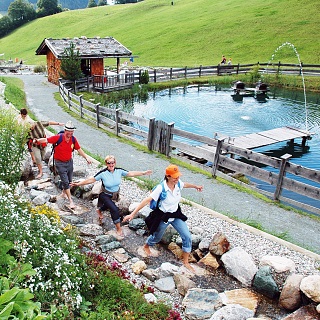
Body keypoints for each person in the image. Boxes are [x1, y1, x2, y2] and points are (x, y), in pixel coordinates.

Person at [123, 164, 203, 272]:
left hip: (175, 214)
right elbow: (146, 201)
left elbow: (185, 185)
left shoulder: (178, 183)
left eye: (178, 176)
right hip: (163, 216)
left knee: (187, 236)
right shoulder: (161, 188)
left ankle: (185, 262)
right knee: (157, 237)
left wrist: (195, 186)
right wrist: (132, 214)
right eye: (175, 177)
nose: (177, 179)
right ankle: (147, 245)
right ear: (168, 176)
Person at [71, 155, 152, 237]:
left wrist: (143, 173)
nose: (111, 164)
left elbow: (130, 173)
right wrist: (78, 184)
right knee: (114, 209)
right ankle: (118, 228)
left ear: (115, 163)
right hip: (105, 194)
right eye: (109, 163)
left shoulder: (119, 171)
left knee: (107, 206)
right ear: (106, 164)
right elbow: (91, 180)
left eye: (112, 162)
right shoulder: (103, 173)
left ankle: (99, 210)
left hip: (115, 195)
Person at [35, 121, 92, 209]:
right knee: (65, 181)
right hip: (59, 163)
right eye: (69, 131)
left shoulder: (73, 139)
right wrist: (37, 141)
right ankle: (71, 201)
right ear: (65, 130)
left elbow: (79, 149)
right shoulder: (58, 138)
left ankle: (63, 193)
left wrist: (86, 158)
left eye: (72, 131)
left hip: (69, 162)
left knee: (69, 180)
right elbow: (47, 140)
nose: (70, 133)